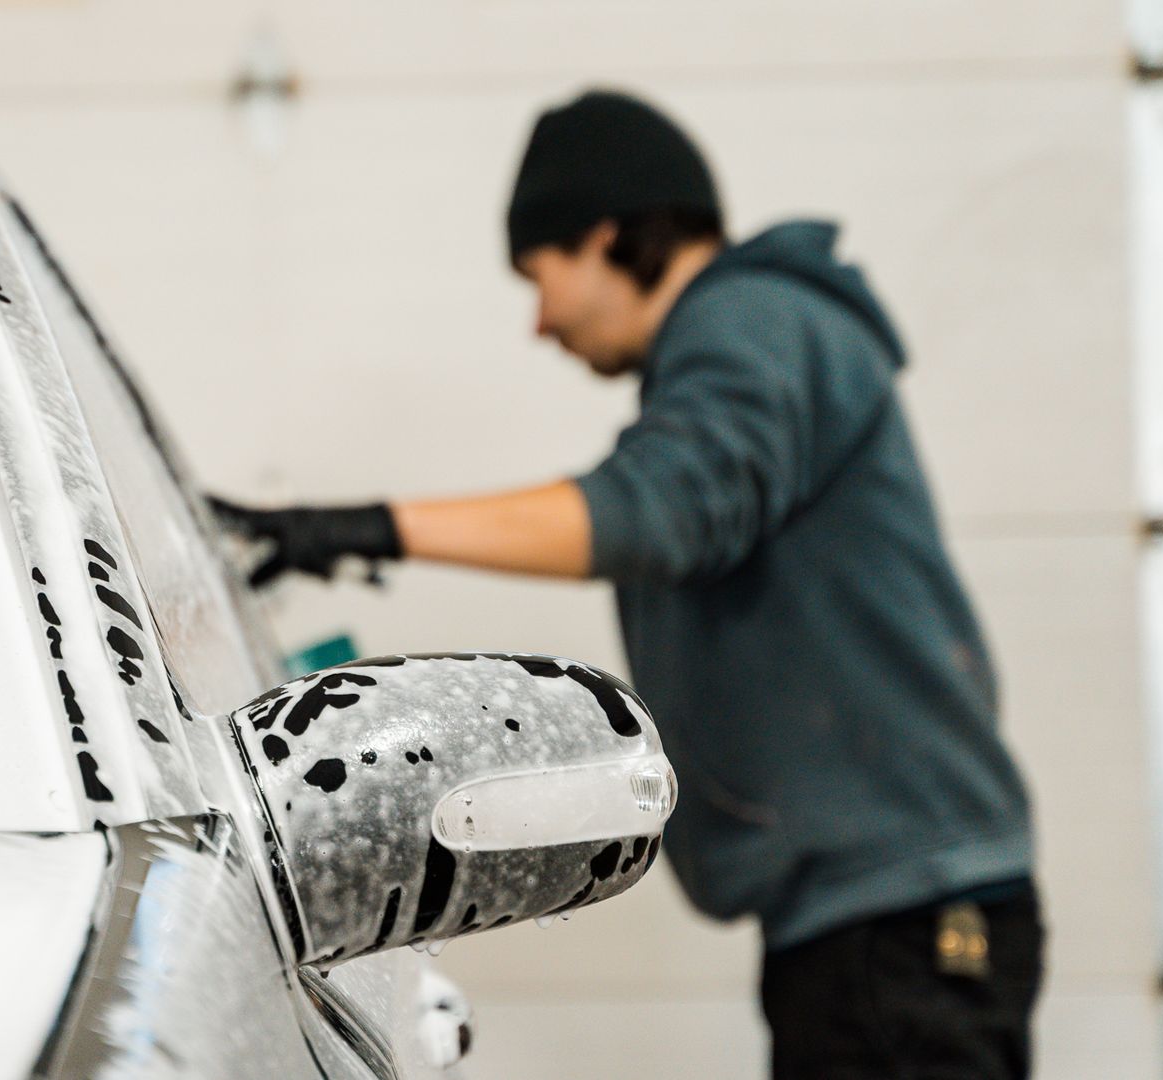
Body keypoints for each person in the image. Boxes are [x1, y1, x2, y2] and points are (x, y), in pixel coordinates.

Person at [215, 90, 1043, 1079]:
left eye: (541, 276)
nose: (539, 321)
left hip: (899, 923)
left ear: (607, 236)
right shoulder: (750, 339)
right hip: (873, 921)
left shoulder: (751, 322)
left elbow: (656, 510)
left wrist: (376, 525)